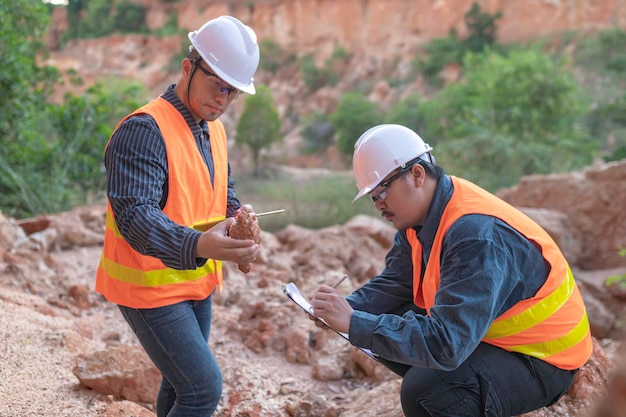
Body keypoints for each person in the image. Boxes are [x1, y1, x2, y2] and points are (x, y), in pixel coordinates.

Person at [310, 124, 592, 417]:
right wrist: (346, 310)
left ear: (417, 174)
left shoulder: (474, 235)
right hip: (492, 336)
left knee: (425, 392)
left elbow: (447, 344)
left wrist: (355, 323)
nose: (379, 204)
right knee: (387, 322)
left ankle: (457, 397)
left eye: (382, 191)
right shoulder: (420, 217)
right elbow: (395, 283)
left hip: (542, 358)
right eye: (373, 197)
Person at [95, 15, 261, 417]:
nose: (223, 98)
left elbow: (223, 194)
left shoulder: (212, 129)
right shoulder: (144, 129)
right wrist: (201, 244)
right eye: (217, 84)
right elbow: (135, 216)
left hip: (193, 280)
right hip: (148, 286)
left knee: (180, 385)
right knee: (203, 388)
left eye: (233, 91)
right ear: (188, 68)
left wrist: (242, 227)